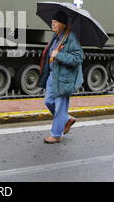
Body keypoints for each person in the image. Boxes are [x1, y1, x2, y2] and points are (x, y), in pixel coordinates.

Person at [38, 11, 84, 144]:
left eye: (56, 22)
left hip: (64, 78)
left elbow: (79, 57)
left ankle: (56, 135)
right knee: (48, 102)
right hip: (53, 76)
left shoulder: (71, 37)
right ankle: (67, 119)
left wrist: (59, 55)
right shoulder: (57, 36)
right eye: (52, 22)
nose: (53, 24)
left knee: (59, 107)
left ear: (63, 24)